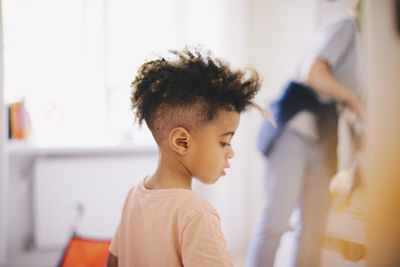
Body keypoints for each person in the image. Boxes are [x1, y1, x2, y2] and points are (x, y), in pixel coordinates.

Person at [107, 47, 261, 267]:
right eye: (224, 142)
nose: (231, 152)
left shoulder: (135, 196)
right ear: (182, 142)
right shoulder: (196, 213)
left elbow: (113, 261)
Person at [246, 1, 365, 267]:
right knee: (276, 222)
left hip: (323, 140)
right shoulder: (346, 26)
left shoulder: (370, 52)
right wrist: (352, 100)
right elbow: (313, 74)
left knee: (313, 230)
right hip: (295, 130)